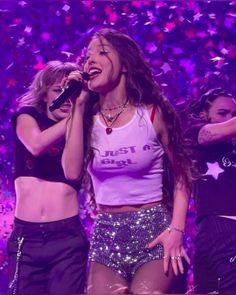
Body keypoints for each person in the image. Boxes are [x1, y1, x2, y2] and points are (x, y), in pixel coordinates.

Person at [62, 28, 191, 294]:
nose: (89, 61)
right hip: (107, 235)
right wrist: (77, 106)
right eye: (87, 57)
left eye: (102, 52)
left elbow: (182, 175)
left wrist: (177, 230)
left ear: (124, 65)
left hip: (153, 230)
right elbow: (72, 172)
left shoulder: (153, 114)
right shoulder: (85, 120)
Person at [7, 60, 89, 295]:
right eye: (58, 90)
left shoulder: (81, 126)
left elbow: (72, 172)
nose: (66, 97)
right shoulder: (27, 115)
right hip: (27, 237)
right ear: (44, 94)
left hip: (66, 238)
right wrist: (73, 118)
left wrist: (78, 113)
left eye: (70, 90)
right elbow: (36, 144)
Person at [184, 88, 236, 294]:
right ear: (204, 115)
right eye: (222, 113)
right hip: (216, 226)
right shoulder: (195, 132)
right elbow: (209, 135)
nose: (229, 119)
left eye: (233, 115)